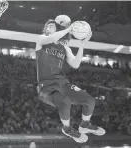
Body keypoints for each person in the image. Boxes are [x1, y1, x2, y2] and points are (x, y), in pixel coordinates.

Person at [36, 15, 105, 143]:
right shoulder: (41, 39)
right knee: (65, 102)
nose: (48, 27)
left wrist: (82, 45)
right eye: (47, 26)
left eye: (52, 25)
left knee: (89, 100)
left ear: (56, 28)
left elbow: (75, 64)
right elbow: (53, 37)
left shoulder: (64, 47)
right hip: (46, 87)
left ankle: (85, 125)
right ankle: (67, 128)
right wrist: (69, 29)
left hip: (63, 83)